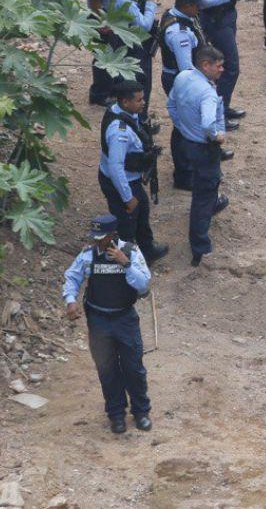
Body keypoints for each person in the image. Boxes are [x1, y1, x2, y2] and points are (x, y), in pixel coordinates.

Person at [62, 214, 153, 434]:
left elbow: (143, 285)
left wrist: (126, 263)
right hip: (99, 321)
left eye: (100, 237)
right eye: (94, 236)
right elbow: (72, 277)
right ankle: (116, 414)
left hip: (125, 319)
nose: (96, 241)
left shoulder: (131, 251)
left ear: (113, 235)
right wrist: (70, 300)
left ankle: (141, 412)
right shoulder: (88, 254)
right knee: (107, 369)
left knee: (133, 368)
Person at [167, 45, 230, 266]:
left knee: (204, 183)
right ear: (205, 65)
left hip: (185, 141)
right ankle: (200, 247)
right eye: (218, 66)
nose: (222, 70)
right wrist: (217, 136)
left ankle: (212, 204)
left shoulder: (182, 77)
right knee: (203, 195)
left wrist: (182, 127)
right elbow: (208, 123)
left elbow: (171, 104)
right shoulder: (207, 93)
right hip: (203, 147)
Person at [98, 80, 168, 264]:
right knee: (127, 224)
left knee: (142, 210)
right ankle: (126, 264)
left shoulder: (122, 112)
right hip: (122, 182)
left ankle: (147, 250)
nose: (143, 103)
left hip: (129, 178)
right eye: (139, 100)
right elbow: (116, 168)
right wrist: (127, 197)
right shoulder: (119, 132)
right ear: (125, 102)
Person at [193, 0, 245, 123]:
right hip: (217, 22)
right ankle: (218, 113)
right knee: (230, 67)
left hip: (227, 16)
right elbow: (203, 1)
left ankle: (223, 106)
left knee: (227, 66)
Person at [159, 0, 206, 190]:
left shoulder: (173, 14)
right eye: (196, 6)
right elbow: (186, 68)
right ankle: (184, 174)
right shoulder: (180, 33)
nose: (199, 9)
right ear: (187, 6)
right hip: (181, 82)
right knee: (184, 127)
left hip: (176, 78)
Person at [108, 0, 158, 125]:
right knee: (137, 89)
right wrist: (151, 1)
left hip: (138, 47)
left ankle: (140, 121)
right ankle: (137, 124)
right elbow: (144, 25)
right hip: (131, 50)